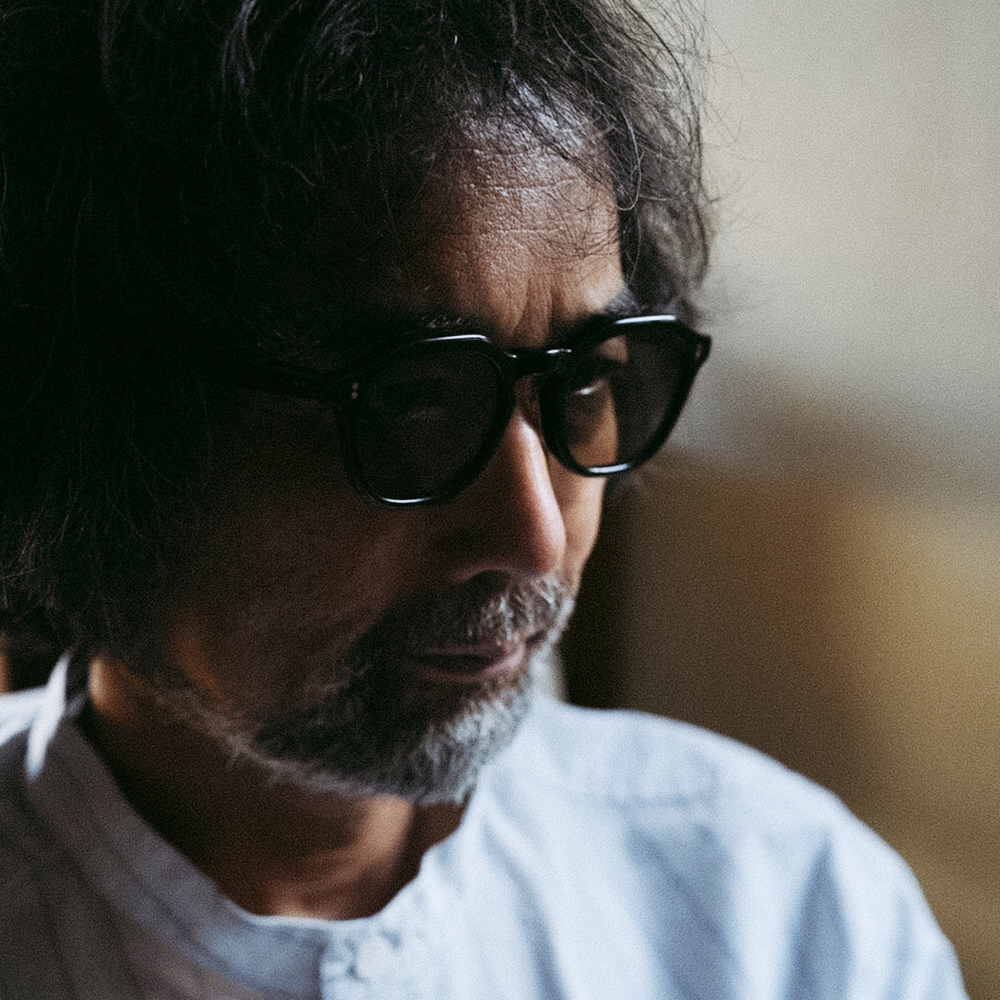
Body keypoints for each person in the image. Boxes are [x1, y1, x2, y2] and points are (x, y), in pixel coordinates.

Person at [0, 0, 968, 997]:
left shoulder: (790, 912)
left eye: (582, 383)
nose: (536, 536)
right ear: (82, 424)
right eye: (412, 402)